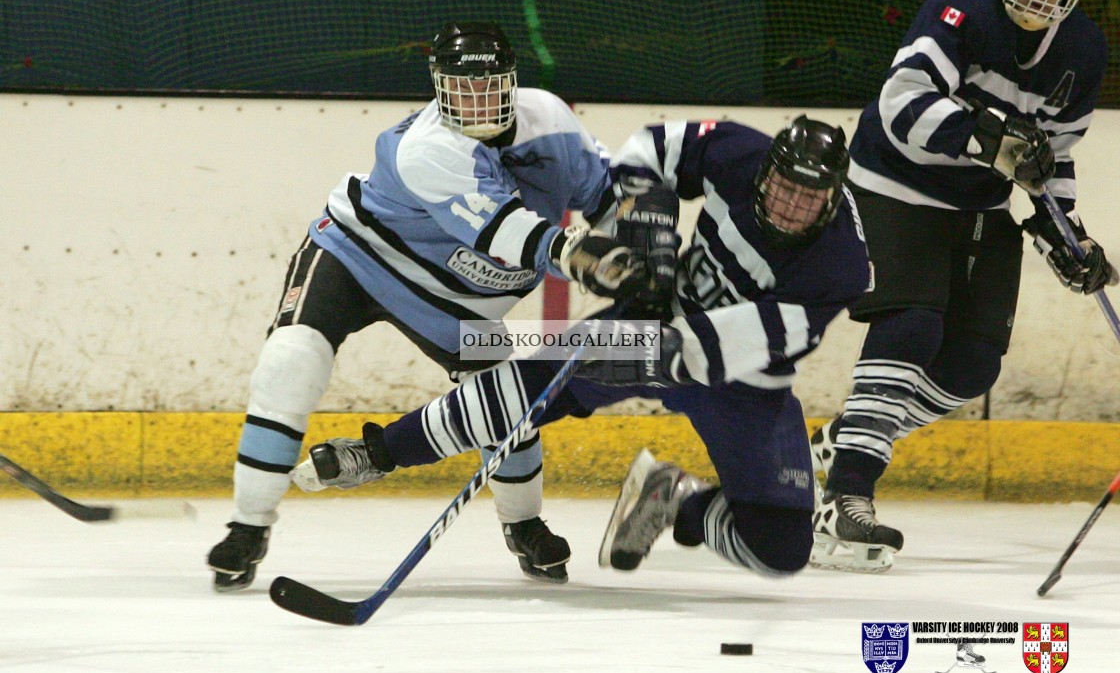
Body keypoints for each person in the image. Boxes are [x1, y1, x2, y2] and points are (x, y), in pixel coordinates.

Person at [295, 115, 873, 582]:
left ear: (831, 197)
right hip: (654, 314)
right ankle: (378, 453)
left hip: (742, 380)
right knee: (529, 389)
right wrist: (650, 228)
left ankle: (673, 496)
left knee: (780, 550)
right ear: (767, 171)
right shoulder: (737, 152)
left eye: (809, 196)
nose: (790, 205)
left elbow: (743, 343)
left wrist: (662, 344)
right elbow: (650, 148)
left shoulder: (840, 264)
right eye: (784, 187)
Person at [206, 21, 646, 591]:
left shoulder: (553, 122)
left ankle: (524, 523)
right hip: (357, 256)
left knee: (504, 405)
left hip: (460, 303)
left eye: (490, 85)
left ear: (512, 83)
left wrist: (636, 252)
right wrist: (582, 255)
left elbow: (606, 198)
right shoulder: (427, 149)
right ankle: (248, 527)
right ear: (438, 87)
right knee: (290, 362)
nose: (477, 101)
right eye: (462, 88)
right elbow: (503, 231)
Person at [808, 0, 1116, 573]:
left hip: (980, 204)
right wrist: (983, 138)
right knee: (912, 326)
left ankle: (849, 440)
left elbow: (1051, 157)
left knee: (973, 363)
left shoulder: (1084, 50)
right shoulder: (959, 10)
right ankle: (847, 494)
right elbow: (901, 104)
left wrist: (1065, 235)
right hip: (892, 184)